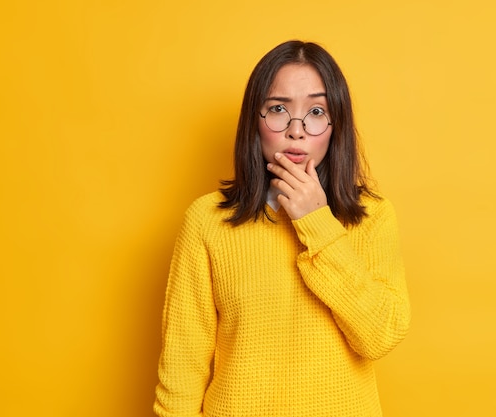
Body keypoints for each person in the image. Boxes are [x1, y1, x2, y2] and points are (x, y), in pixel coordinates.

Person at [154, 40, 410, 417]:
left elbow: (380, 335)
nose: (296, 131)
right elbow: (182, 367)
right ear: (253, 122)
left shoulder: (372, 216)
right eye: (278, 109)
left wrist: (316, 223)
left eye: (316, 111)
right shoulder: (207, 222)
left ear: (335, 125)